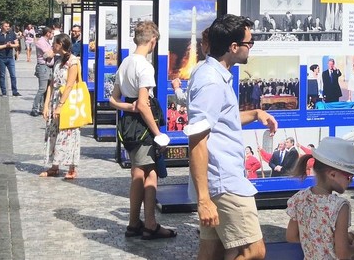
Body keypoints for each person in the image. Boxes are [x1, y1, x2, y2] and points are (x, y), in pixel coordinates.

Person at [185, 14, 278, 259]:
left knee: (213, 252)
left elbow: (222, 117)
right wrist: (204, 199)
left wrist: (256, 113)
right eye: (249, 43)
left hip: (219, 180)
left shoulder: (209, 73)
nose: (251, 47)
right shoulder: (212, 82)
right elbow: (197, 140)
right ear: (233, 47)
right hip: (223, 182)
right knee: (253, 251)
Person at [108, 21, 176, 241]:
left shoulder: (125, 63)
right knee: (151, 173)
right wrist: (158, 134)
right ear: (153, 41)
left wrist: (128, 106)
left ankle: (134, 223)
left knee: (137, 172)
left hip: (128, 125)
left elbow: (113, 99)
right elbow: (144, 104)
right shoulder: (145, 66)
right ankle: (150, 225)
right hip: (144, 127)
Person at [285, 137, 354, 260]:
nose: (351, 181)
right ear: (332, 174)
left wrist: (321, 239)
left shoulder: (299, 198)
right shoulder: (339, 206)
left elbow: (291, 236)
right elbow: (343, 254)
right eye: (349, 176)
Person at [40, 34, 81, 179]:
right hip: (55, 99)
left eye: (54, 44)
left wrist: (60, 105)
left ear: (61, 44)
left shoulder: (74, 61)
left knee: (68, 132)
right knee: (54, 133)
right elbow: (51, 84)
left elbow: (69, 85)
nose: (52, 46)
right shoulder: (57, 60)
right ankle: (55, 165)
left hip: (68, 102)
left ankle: (72, 167)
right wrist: (46, 105)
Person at [0, 21, 21, 97]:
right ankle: (3, 92)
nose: (7, 27)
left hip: (10, 57)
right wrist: (5, 46)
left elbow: (17, 44)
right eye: (6, 26)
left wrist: (10, 45)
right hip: (1, 57)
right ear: (2, 27)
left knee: (13, 75)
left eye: (8, 26)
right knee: (2, 75)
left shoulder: (12, 34)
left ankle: (15, 91)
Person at [31, 27, 55, 117]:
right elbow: (48, 54)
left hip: (48, 67)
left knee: (47, 90)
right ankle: (34, 108)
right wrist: (55, 50)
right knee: (42, 89)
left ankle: (42, 108)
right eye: (51, 33)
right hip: (43, 67)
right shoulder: (41, 42)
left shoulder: (47, 42)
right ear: (48, 33)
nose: (52, 35)